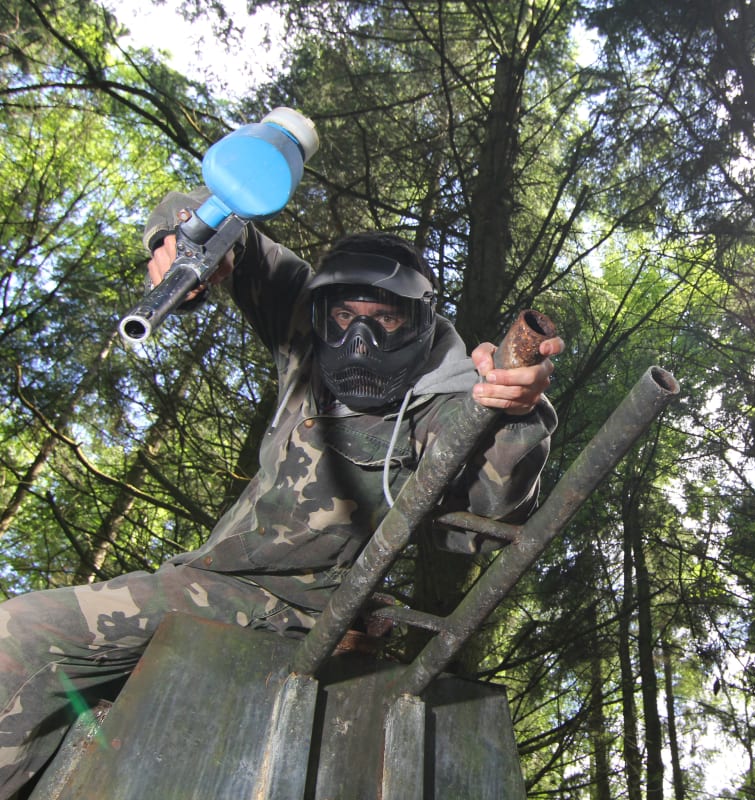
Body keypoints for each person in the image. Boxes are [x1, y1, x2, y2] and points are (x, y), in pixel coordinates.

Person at [0, 189, 561, 797]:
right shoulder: (301, 316)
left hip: (311, 610)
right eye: (344, 318)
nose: (359, 341)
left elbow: (479, 520)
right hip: (214, 579)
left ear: (422, 322)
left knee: (19, 636)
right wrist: (184, 245)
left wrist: (511, 414)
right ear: (321, 311)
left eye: (387, 319)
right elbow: (223, 221)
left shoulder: (449, 402)